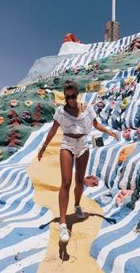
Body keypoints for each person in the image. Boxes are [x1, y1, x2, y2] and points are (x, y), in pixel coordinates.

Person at [38, 80, 118, 242]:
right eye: (67, 97)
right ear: (65, 97)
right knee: (66, 182)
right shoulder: (61, 111)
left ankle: (77, 205)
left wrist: (108, 131)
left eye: (73, 96)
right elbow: (53, 130)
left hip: (83, 144)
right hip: (67, 143)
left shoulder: (87, 109)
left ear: (77, 94)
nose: (71, 99)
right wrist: (43, 146)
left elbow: (96, 125)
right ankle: (62, 224)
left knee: (79, 181)